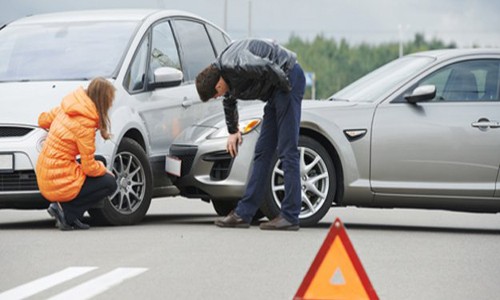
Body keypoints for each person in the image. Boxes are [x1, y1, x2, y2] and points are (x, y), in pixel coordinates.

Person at [196, 38, 306, 231]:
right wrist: (233, 131)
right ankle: (243, 214)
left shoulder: (237, 63)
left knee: (287, 149)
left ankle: (290, 215)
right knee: (262, 152)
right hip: (276, 91)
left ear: (218, 84)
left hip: (287, 79)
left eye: (215, 94)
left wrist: (287, 91)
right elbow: (229, 101)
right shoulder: (225, 76)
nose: (218, 97)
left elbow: (268, 66)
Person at [36, 77, 118, 231]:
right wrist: (105, 170)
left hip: (45, 171)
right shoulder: (85, 124)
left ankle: (69, 212)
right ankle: (67, 213)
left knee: (100, 161)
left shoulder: (68, 107)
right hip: (57, 179)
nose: (111, 104)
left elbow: (42, 120)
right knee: (110, 183)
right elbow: (88, 167)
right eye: (110, 100)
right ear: (102, 100)